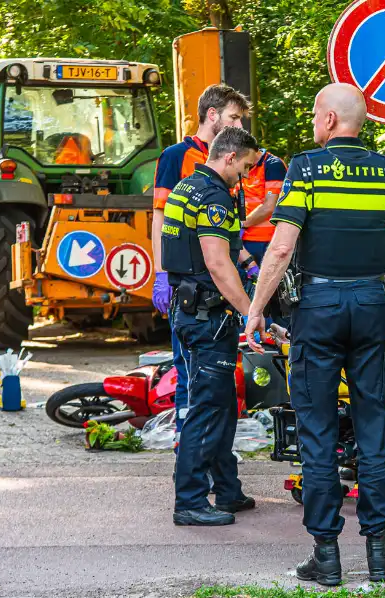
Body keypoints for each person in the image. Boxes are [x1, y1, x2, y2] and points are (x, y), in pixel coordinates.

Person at [244, 83, 385, 586]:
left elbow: (282, 250)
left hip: (318, 308)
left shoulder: (304, 169)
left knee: (318, 430)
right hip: (372, 307)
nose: (312, 122)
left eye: (314, 114)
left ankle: (326, 555)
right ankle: (378, 552)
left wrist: (256, 310)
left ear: (329, 119)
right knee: (373, 428)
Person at [160, 127, 260, 525]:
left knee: (221, 406)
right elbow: (218, 264)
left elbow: (227, 250)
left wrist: (253, 267)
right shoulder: (215, 197)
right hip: (207, 316)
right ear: (230, 157)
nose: (248, 175)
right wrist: (251, 311)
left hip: (192, 310)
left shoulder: (188, 187)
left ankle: (228, 490)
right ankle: (189, 501)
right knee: (207, 408)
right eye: (247, 166)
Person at [150, 84, 251, 450]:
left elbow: (222, 229)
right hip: (193, 285)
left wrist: (248, 262)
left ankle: (214, 461)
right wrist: (161, 274)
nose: (238, 123)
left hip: (220, 283)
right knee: (191, 375)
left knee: (217, 381)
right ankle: (187, 448)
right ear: (212, 115)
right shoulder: (178, 156)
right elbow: (161, 217)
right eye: (233, 116)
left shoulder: (228, 161)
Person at [239, 147, 288, 267]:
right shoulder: (242, 165)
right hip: (243, 240)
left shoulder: (273, 165)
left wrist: (241, 224)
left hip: (265, 241)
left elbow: (269, 207)